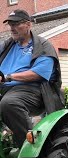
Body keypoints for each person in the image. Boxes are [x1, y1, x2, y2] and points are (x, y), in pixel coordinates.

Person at [0, 9, 62, 148]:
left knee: (9, 103)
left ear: (28, 25)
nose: (12, 28)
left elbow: (39, 73)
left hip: (32, 90)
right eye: (10, 24)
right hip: (5, 89)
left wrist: (8, 77)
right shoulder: (7, 45)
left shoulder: (42, 45)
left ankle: (29, 147)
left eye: (16, 24)